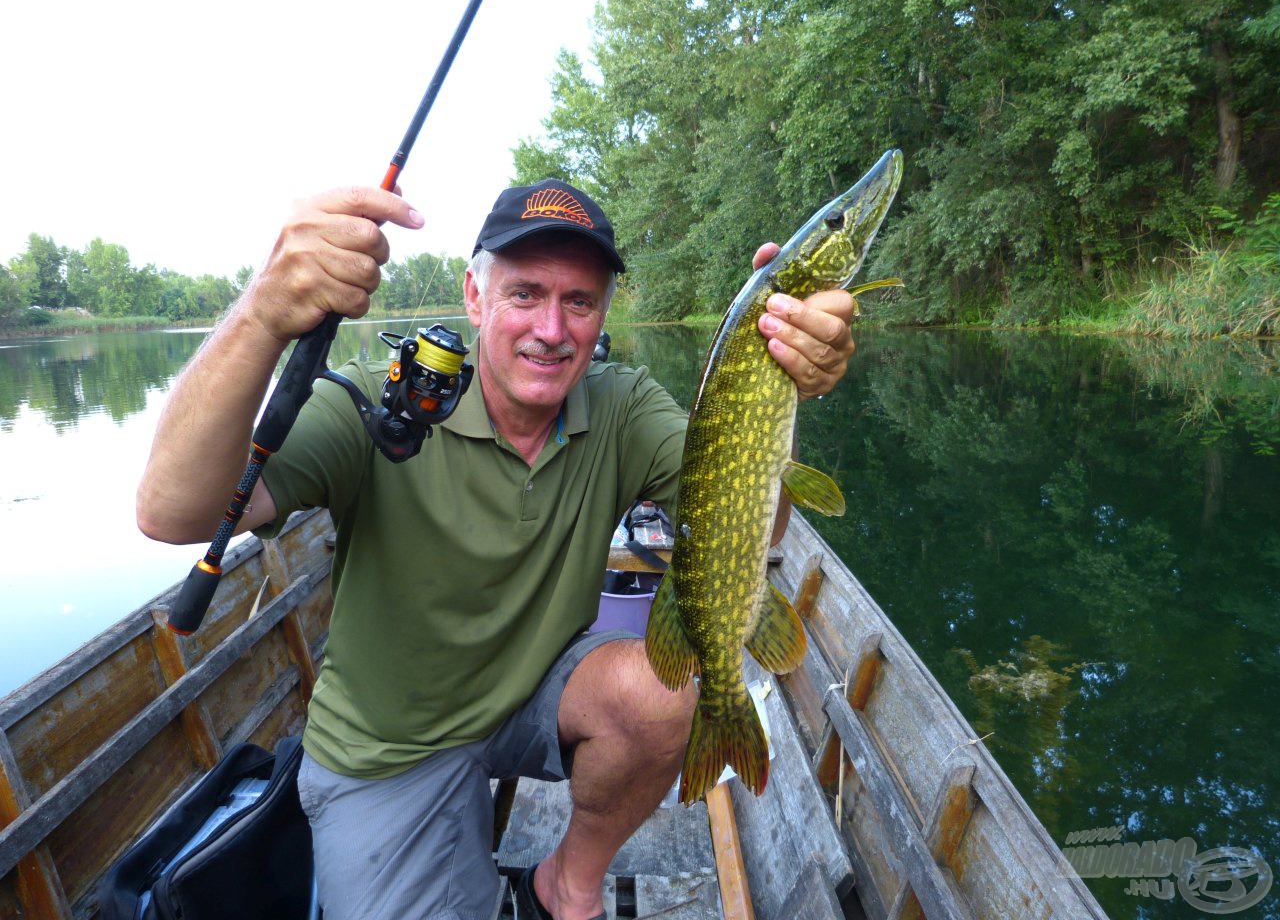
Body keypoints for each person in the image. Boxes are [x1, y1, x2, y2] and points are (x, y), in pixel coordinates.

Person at [137, 178, 858, 920]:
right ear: (475, 297)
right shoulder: (373, 405)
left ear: (602, 312)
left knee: (662, 692)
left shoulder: (622, 404)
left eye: (579, 302)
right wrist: (260, 314)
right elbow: (171, 510)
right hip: (391, 747)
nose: (552, 328)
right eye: (524, 294)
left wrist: (782, 377)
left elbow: (755, 527)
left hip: (532, 695)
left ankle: (565, 884)